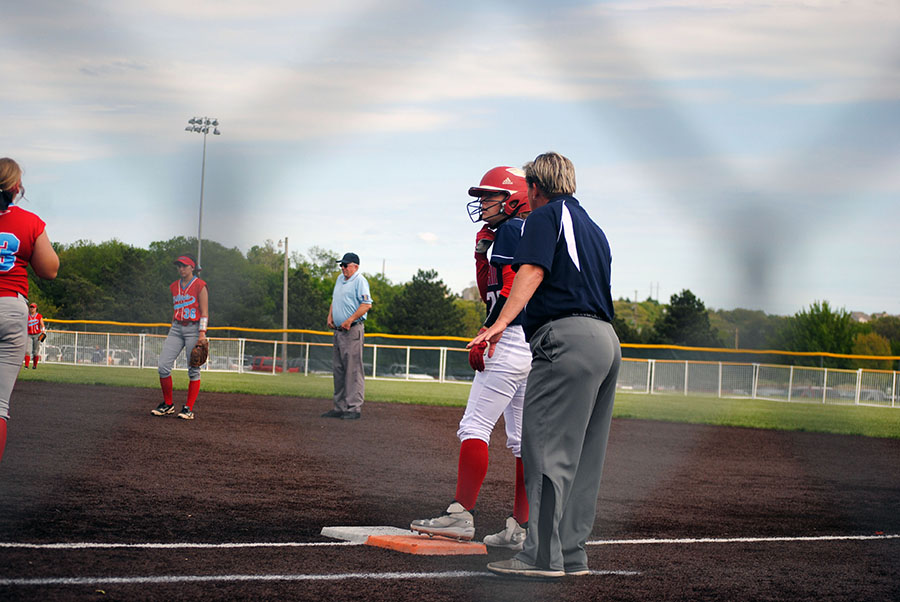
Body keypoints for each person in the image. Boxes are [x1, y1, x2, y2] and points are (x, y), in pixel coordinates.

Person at [470, 152, 621, 579]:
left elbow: (531, 272)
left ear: (534, 188)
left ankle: (540, 556)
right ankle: (572, 554)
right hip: (606, 342)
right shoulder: (594, 228)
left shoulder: (544, 216)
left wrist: (499, 324)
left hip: (565, 339)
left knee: (546, 451)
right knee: (585, 457)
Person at [410, 167, 532, 550]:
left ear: (513, 199)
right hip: (531, 343)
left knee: (475, 426)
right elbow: (490, 288)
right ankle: (520, 527)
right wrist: (481, 255)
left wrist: (490, 329)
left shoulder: (513, 230)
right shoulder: (521, 231)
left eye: (490, 195)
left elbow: (510, 288)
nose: (482, 203)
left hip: (508, 337)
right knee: (523, 440)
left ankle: (461, 515)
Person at [0, 158, 60, 463]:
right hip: (11, 306)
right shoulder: (29, 221)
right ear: (16, 187)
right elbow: (50, 270)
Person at [151, 253, 208, 420]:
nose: (181, 268)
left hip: (193, 328)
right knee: (163, 366)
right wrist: (171, 328)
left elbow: (204, 312)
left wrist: (202, 334)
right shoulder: (174, 286)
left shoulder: (200, 285)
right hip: (176, 328)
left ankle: (188, 408)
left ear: (192, 267)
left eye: (184, 265)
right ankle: (168, 404)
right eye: (179, 266)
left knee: (193, 369)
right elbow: (175, 309)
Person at [323, 252, 372, 420]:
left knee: (353, 370)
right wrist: (330, 316)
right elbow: (334, 300)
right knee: (338, 370)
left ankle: (353, 408)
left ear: (355, 266)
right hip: (338, 330)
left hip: (352, 330)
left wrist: (350, 319)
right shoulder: (339, 279)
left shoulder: (360, 280)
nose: (343, 268)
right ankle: (339, 407)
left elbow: (366, 304)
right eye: (341, 265)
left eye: (346, 265)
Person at [24, 302, 46, 369]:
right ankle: (26, 365)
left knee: (36, 352)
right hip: (29, 335)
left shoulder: (39, 316)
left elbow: (42, 325)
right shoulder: (27, 316)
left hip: (37, 335)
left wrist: (43, 331)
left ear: (36, 308)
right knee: (27, 351)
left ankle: (34, 366)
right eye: (31, 307)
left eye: (33, 307)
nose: (32, 309)